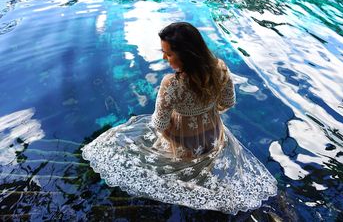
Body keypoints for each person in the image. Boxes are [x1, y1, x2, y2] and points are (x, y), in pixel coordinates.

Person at [81, 22, 277, 214]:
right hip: (213, 136)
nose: (165, 58)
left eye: (169, 53)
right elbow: (227, 102)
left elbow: (159, 123)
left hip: (182, 142)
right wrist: (207, 108)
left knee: (119, 143)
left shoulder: (171, 84)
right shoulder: (221, 68)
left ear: (186, 55)